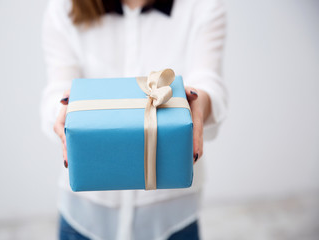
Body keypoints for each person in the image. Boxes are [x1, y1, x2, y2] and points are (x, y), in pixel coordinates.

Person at [41, 0, 227, 239]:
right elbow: (56, 89)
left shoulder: (202, 6)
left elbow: (208, 80)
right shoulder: (63, 7)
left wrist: (200, 102)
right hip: (84, 218)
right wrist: (62, 111)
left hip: (172, 219)